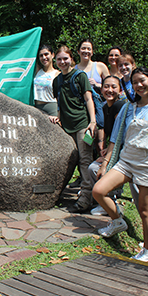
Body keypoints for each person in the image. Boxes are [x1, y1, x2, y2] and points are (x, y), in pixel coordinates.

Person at [92, 67, 148, 263]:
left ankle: (147, 251)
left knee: (145, 211)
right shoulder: (128, 107)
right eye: (135, 82)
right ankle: (118, 220)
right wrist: (105, 164)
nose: (139, 85)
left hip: (147, 165)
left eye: (142, 80)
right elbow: (115, 140)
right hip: (126, 161)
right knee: (98, 190)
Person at [50, 45, 96, 213]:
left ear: (71, 59)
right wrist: (58, 118)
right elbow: (60, 102)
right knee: (72, 160)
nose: (62, 62)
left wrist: (93, 121)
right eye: (60, 59)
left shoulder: (80, 76)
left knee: (85, 160)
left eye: (65, 58)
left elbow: (88, 99)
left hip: (82, 124)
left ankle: (85, 199)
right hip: (66, 126)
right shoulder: (56, 81)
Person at [88, 75, 126, 216]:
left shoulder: (119, 107)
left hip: (124, 153)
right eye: (106, 86)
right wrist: (104, 151)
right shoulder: (106, 107)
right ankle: (105, 201)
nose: (109, 90)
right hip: (115, 150)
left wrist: (106, 160)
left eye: (113, 87)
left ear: (120, 90)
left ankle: (109, 201)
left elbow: (120, 137)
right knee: (93, 167)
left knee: (94, 168)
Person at [33, 44, 60, 116]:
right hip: (37, 107)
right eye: (41, 55)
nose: (44, 57)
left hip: (52, 107)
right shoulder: (37, 71)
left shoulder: (57, 74)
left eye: (46, 54)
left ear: (52, 55)